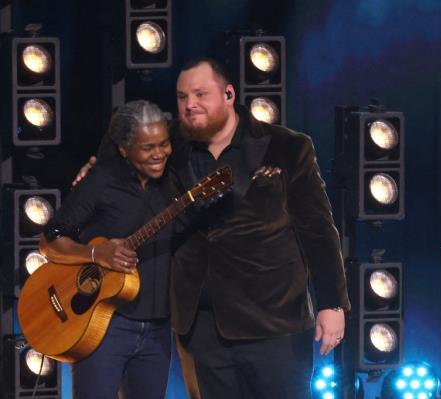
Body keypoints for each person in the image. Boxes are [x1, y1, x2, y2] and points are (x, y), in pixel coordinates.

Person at [78, 58, 351, 399]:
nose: (190, 104)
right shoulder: (169, 146)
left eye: (200, 94)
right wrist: (94, 171)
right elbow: (118, 147)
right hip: (200, 325)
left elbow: (318, 229)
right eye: (181, 97)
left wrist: (332, 303)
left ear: (228, 94)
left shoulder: (287, 146)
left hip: (273, 321)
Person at [41, 100, 174, 399]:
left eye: (164, 144)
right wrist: (95, 254)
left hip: (158, 331)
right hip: (104, 326)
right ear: (125, 149)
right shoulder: (100, 182)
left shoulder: (172, 181)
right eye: (148, 147)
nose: (159, 154)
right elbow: (51, 239)